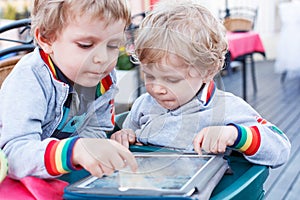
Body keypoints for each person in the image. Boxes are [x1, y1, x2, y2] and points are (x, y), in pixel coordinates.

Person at [111, 0, 291, 168]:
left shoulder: (227, 108)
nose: (156, 88)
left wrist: (235, 135)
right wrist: (125, 136)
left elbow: (280, 147)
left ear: (207, 71)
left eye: (172, 79)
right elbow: (129, 139)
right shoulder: (144, 105)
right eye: (149, 76)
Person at [0, 0, 138, 180]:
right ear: (46, 38)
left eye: (113, 46)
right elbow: (14, 155)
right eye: (86, 45)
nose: (102, 58)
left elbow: (96, 128)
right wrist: (74, 150)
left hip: (60, 176)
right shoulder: (30, 79)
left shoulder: (103, 79)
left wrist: (92, 147)